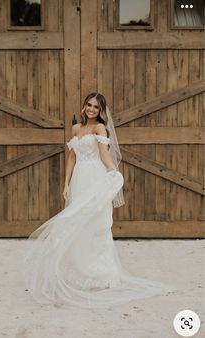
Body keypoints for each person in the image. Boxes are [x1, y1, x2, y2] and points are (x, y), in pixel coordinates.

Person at [22, 92, 176, 309]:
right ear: (84, 106)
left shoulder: (99, 128)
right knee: (78, 223)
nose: (91, 109)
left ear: (101, 110)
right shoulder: (76, 128)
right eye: (88, 105)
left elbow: (104, 155)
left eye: (95, 107)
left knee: (97, 224)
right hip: (79, 179)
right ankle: (79, 270)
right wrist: (66, 183)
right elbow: (72, 157)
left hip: (95, 176)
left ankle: (100, 274)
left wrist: (113, 173)